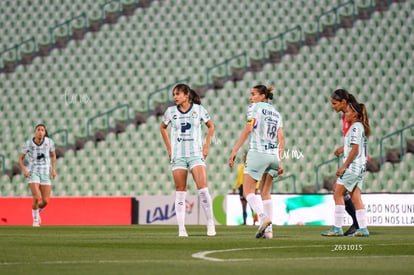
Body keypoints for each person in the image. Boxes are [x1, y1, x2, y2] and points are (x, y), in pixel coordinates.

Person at [160, 83, 216, 237]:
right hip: (178, 156)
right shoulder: (170, 112)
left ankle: (210, 223)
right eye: (174, 94)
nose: (175, 97)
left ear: (186, 95)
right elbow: (162, 128)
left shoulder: (198, 110)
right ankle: (181, 228)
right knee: (180, 192)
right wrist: (169, 148)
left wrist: (206, 146)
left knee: (203, 189)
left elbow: (211, 127)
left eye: (177, 94)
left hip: (195, 154)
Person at [229, 85, 284, 238]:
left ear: (262, 96)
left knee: (248, 192)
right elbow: (282, 138)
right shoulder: (276, 113)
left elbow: (248, 129)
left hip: (258, 153)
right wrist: (281, 161)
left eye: (253, 94)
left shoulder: (255, 107)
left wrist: (234, 150)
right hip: (273, 156)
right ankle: (269, 232)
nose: (250, 97)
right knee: (265, 193)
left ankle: (263, 217)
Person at [322, 98, 370, 237]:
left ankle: (337, 228)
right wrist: (343, 149)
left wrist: (344, 166)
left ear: (355, 114)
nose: (346, 114)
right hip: (360, 168)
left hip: (353, 167)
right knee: (356, 197)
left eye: (348, 112)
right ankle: (363, 229)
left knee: (338, 193)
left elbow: (355, 149)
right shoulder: (360, 127)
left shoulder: (355, 127)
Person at [330, 89, 360, 235]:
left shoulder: (351, 115)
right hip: (354, 158)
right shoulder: (346, 116)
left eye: (334, 103)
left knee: (338, 190)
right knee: (353, 195)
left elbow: (357, 141)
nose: (332, 106)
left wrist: (344, 165)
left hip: (354, 160)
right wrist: (343, 148)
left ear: (343, 102)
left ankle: (348, 225)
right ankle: (359, 224)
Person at [18, 124, 57, 227]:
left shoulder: (49, 142)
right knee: (36, 197)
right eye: (38, 130)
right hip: (33, 171)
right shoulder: (28, 144)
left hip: (45, 172)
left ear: (45, 133)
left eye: (42, 130)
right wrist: (25, 170)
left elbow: (53, 155)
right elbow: (20, 158)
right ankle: (35, 220)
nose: (40, 132)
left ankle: (36, 211)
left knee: (45, 201)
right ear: (35, 132)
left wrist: (53, 169)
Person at [232, 152, 259, 226]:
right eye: (244, 157)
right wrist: (234, 187)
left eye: (246, 157)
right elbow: (239, 178)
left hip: (250, 186)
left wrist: (256, 187)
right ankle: (244, 221)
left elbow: (256, 178)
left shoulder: (253, 167)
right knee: (243, 205)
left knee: (252, 205)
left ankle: (254, 221)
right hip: (242, 186)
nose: (244, 158)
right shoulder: (241, 167)